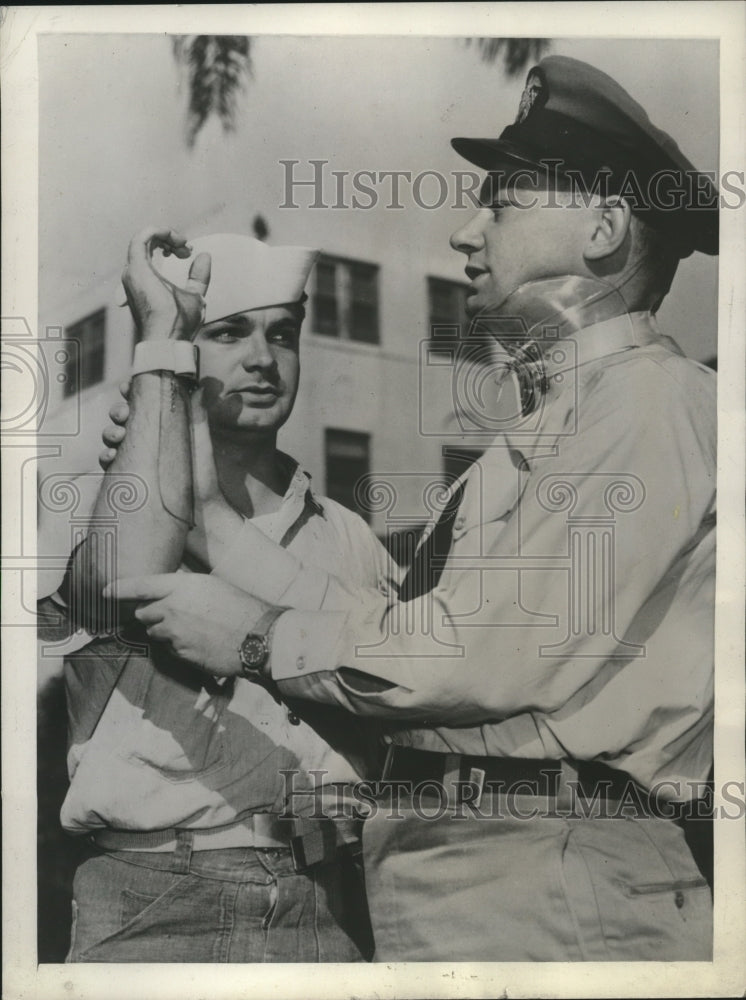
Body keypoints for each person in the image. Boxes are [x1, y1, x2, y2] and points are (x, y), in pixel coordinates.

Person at [106, 56, 717, 961]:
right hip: (497, 868)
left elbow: (480, 655)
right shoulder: (565, 422)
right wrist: (198, 484)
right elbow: (397, 623)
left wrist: (256, 638)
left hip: (553, 873)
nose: (467, 233)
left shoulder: (646, 402)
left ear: (603, 228)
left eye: (502, 203)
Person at [53, 229, 398, 963]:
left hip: (324, 899)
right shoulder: (111, 505)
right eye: (229, 333)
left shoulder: (349, 536)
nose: (264, 359)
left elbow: (396, 687)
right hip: (155, 899)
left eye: (283, 334)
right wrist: (160, 345)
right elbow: (124, 571)